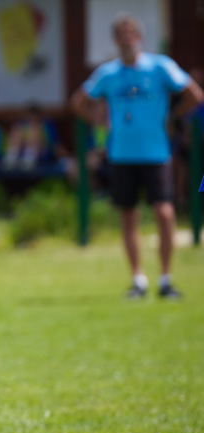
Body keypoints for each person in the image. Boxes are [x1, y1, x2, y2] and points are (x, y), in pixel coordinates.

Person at [71, 13, 203, 299]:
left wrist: (173, 117)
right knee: (128, 216)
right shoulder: (108, 74)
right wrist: (99, 120)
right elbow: (79, 101)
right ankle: (138, 279)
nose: (127, 40)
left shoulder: (160, 67)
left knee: (164, 212)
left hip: (156, 153)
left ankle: (166, 278)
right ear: (115, 41)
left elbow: (194, 94)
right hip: (121, 154)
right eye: (121, 35)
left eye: (131, 34)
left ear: (140, 38)